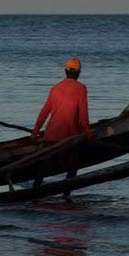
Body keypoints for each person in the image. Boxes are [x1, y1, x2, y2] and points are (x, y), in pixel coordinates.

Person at [30, 57, 93, 194]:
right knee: (73, 167)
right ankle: (66, 195)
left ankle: (34, 192)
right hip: (69, 137)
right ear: (79, 73)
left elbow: (44, 112)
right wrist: (88, 136)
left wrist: (34, 133)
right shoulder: (81, 88)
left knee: (42, 169)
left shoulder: (55, 88)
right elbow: (83, 116)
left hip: (51, 135)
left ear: (65, 71)